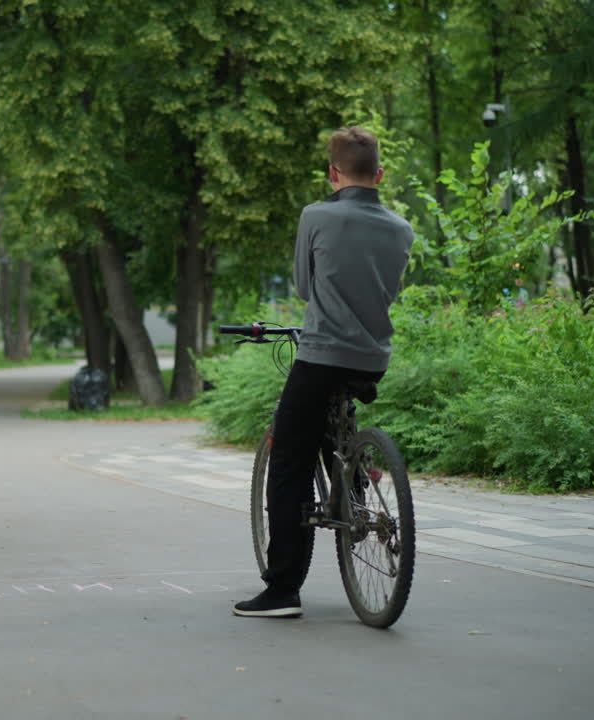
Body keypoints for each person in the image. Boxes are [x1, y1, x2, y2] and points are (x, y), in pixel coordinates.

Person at [233, 127, 413, 618]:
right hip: (373, 357)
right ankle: (352, 488)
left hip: (322, 353)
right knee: (331, 424)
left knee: (288, 461)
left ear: (333, 173)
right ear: (380, 174)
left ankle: (282, 589)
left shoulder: (316, 216)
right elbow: (387, 289)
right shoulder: (401, 229)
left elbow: (304, 285)